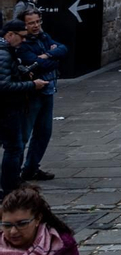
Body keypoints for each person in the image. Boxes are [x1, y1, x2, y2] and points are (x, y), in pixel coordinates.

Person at [16, 11, 66, 183]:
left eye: (37, 22)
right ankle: (14, 173)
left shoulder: (44, 37)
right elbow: (34, 64)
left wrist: (48, 56)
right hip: (32, 93)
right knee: (23, 135)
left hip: (48, 89)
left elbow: (62, 49)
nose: (35, 25)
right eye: (31, 23)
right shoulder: (22, 44)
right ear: (24, 25)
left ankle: (31, 168)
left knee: (44, 132)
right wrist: (51, 57)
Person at [1, 21, 48, 195]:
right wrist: (31, 85)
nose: (23, 41)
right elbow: (4, 86)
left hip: (9, 108)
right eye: (21, 37)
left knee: (14, 146)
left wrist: (21, 71)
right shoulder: (4, 54)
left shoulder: (8, 52)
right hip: (6, 109)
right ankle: (9, 187)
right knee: (14, 148)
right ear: (9, 35)